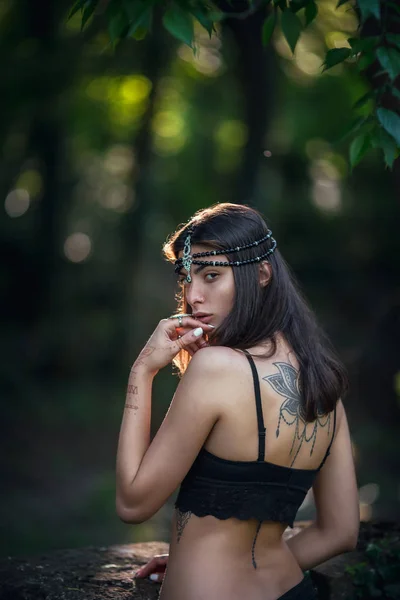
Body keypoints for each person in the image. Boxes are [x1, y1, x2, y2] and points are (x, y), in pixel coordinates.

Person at [115, 203, 359, 600]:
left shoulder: (215, 368)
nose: (193, 295)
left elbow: (133, 503)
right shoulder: (323, 383)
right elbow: (341, 532)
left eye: (212, 276)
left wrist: (142, 371)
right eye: (187, 279)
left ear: (262, 274)